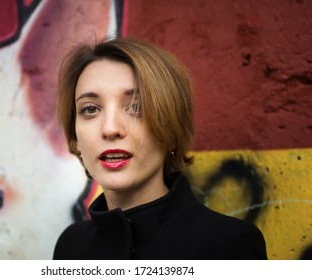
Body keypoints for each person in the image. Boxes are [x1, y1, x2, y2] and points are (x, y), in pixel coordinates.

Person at [53, 37, 267, 260]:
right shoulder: (71, 246)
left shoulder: (229, 246)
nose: (110, 129)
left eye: (136, 107)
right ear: (75, 136)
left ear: (171, 127)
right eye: (90, 109)